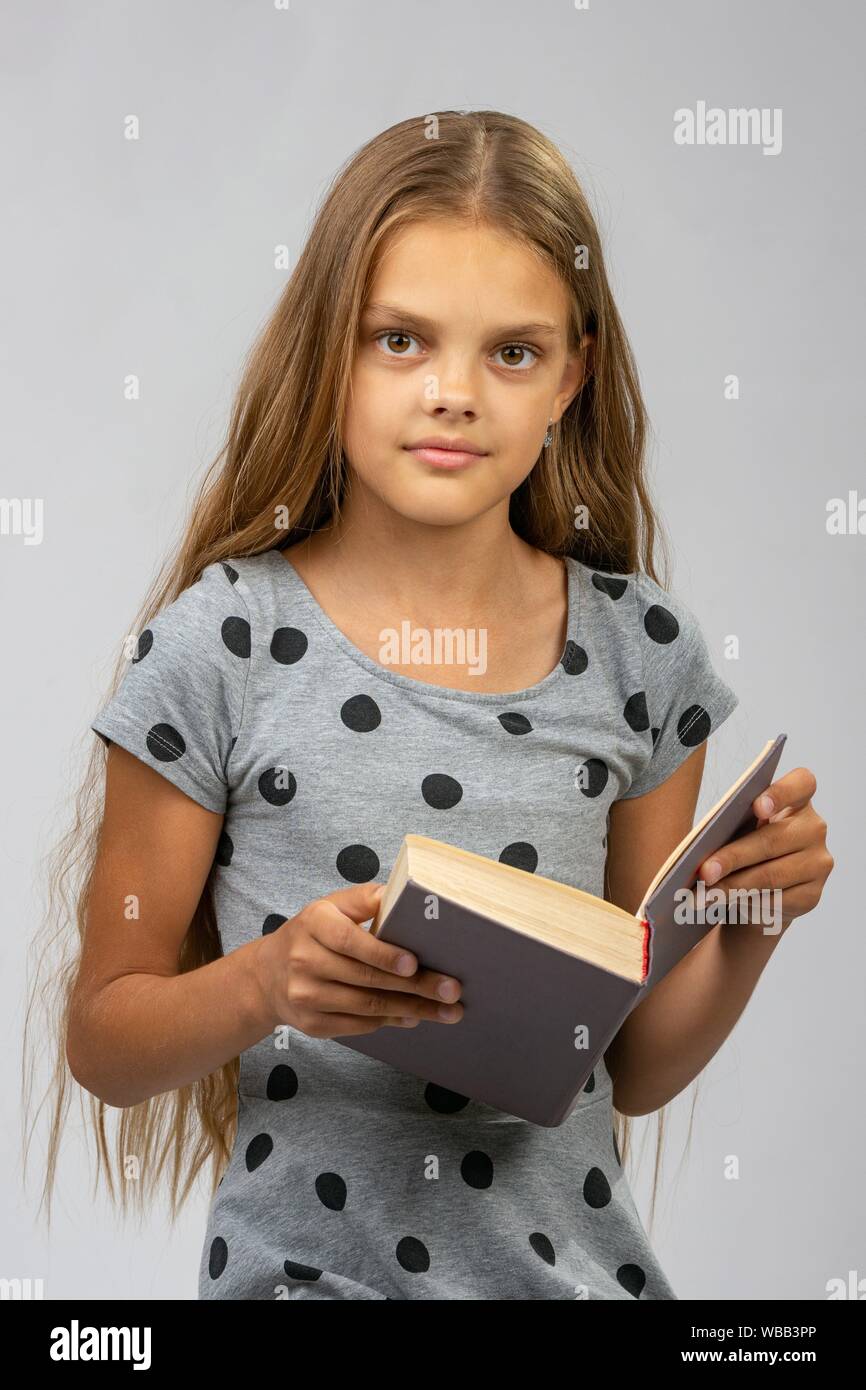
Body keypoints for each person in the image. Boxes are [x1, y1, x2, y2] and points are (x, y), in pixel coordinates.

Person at [29, 110, 834, 1300]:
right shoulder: (220, 644)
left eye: (510, 353)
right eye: (399, 340)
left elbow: (625, 1063)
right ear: (327, 352)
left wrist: (751, 918)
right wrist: (265, 983)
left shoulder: (642, 655)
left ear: (571, 375)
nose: (452, 393)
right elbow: (104, 1037)